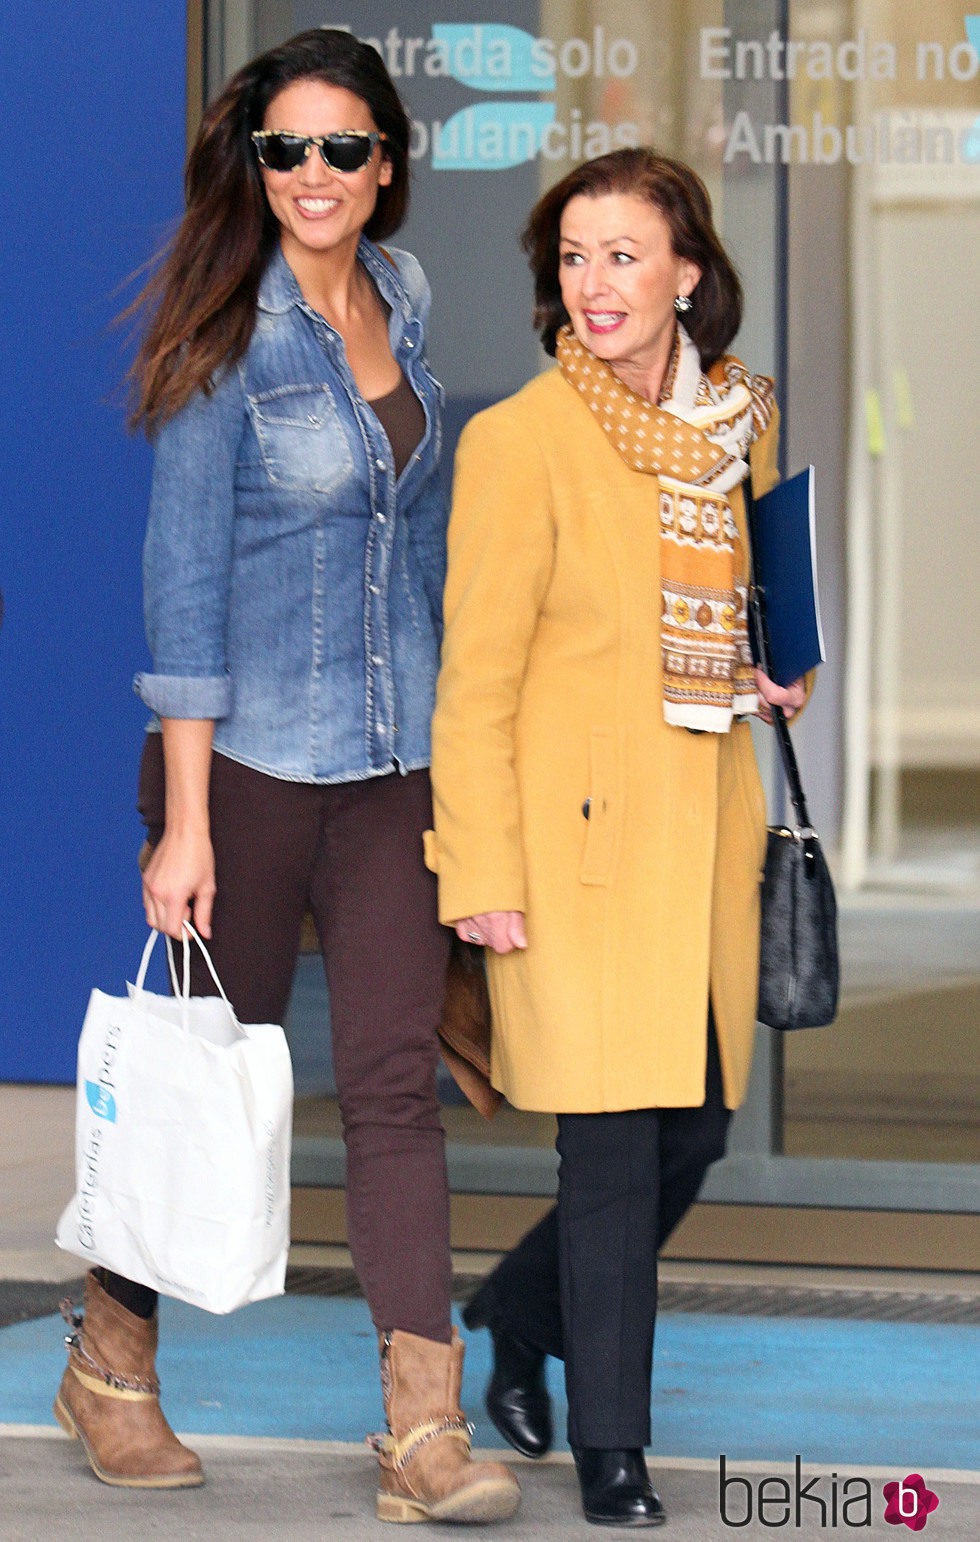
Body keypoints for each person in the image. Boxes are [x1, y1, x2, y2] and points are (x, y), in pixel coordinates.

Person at [52, 28, 519, 1525]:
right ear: (257, 167)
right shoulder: (222, 336)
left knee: (392, 1086)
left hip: (391, 763)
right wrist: (182, 823)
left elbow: (422, 553)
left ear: (388, 165)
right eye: (283, 150)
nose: (310, 176)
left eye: (339, 149)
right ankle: (111, 1364)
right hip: (246, 767)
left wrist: (466, 752)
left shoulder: (408, 299)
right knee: (200, 1078)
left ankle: (423, 1429)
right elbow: (179, 592)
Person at [428, 148, 805, 1528]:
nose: (597, 284)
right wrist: (480, 873)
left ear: (687, 273)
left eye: (626, 255)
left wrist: (779, 667)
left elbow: (750, 611)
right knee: (603, 1152)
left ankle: (518, 1315)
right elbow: (473, 681)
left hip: (703, 836)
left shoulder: (737, 427)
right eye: (575, 257)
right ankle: (614, 1449)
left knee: (692, 1132)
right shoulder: (519, 439)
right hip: (572, 851)